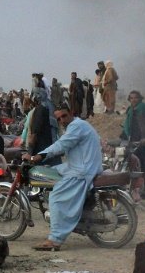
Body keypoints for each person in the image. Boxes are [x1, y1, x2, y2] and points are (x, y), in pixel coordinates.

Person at [23, 105, 103, 251]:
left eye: (64, 116)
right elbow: (64, 146)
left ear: (72, 113)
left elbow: (61, 145)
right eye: (59, 118)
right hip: (76, 165)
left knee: (56, 197)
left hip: (82, 170)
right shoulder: (78, 125)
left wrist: (38, 156)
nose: (62, 120)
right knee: (50, 171)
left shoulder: (77, 126)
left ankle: (55, 239)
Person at [121, 90, 145, 199]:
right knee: (134, 165)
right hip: (134, 141)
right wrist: (123, 136)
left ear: (140, 98)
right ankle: (135, 188)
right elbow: (127, 125)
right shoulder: (130, 110)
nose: (133, 100)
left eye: (135, 97)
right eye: (131, 98)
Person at [24, 88, 54, 156]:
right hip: (50, 142)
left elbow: (35, 129)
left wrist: (30, 152)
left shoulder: (40, 109)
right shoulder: (50, 106)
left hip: (41, 144)